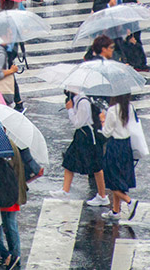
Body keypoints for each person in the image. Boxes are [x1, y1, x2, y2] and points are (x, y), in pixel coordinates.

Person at [53, 45, 109, 206]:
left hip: (87, 136)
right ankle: (65, 190)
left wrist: (70, 110)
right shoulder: (78, 99)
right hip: (82, 136)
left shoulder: (83, 101)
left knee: (96, 167)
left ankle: (103, 196)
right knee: (69, 161)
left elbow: (78, 122)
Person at [100, 93, 139, 221]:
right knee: (118, 178)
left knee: (111, 179)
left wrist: (103, 121)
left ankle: (129, 201)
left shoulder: (112, 110)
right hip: (126, 146)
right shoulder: (130, 107)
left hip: (115, 146)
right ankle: (115, 211)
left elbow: (106, 133)